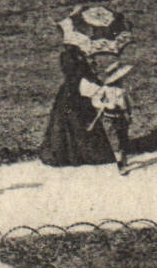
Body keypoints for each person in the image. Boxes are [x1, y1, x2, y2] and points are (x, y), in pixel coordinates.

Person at [38, 23, 122, 169]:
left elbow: (87, 74)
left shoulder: (82, 55)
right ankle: (73, 154)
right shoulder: (68, 57)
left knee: (84, 121)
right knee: (72, 123)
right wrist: (89, 77)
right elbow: (74, 75)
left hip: (81, 93)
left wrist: (93, 73)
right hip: (73, 93)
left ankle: (89, 152)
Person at [93, 61, 134, 174]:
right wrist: (105, 104)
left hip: (121, 117)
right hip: (109, 117)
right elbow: (95, 101)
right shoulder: (104, 90)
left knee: (123, 138)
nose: (121, 80)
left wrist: (129, 114)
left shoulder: (122, 91)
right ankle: (120, 165)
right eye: (119, 78)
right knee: (114, 140)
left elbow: (128, 104)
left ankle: (124, 160)